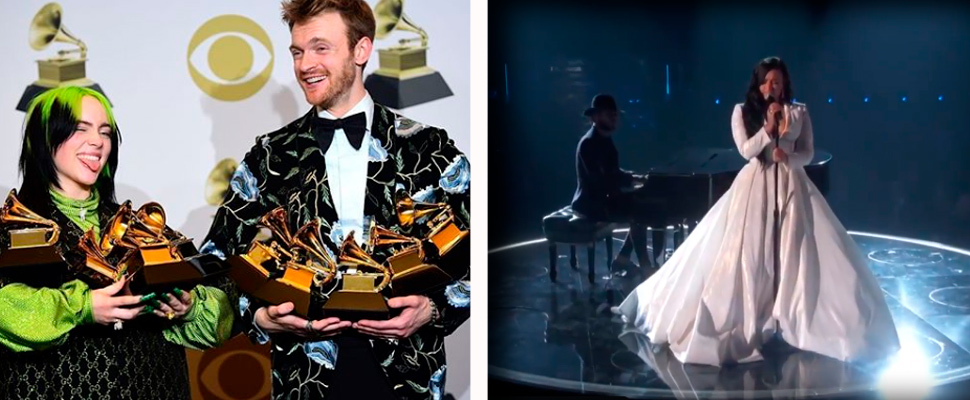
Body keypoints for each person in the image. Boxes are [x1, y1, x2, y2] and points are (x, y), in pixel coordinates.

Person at [199, 1, 471, 398]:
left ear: (361, 50)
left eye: (320, 48)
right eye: (297, 51)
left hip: (407, 373)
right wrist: (261, 316)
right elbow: (218, 262)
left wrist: (432, 310)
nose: (304, 64)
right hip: (303, 375)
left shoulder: (428, 148)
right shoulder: (269, 158)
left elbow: (482, 251)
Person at [614, 57, 900, 366]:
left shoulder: (799, 111)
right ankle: (757, 314)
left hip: (792, 184)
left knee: (797, 251)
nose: (771, 87)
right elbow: (745, 150)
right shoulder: (742, 111)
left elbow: (806, 152)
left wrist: (787, 158)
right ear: (758, 84)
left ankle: (794, 315)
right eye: (766, 81)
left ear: (785, 84)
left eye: (777, 82)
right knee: (753, 255)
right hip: (756, 185)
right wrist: (767, 129)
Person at [0, 86, 235, 399]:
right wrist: (82, 307)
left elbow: (218, 312)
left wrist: (188, 307)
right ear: (44, 139)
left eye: (105, 131)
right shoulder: (13, 229)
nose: (97, 141)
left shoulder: (143, 227)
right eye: (79, 129)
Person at [571, 94, 660, 269]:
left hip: (603, 198)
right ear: (595, 117)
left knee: (643, 208)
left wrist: (635, 178)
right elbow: (601, 181)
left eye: (615, 114)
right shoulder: (589, 144)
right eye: (608, 113)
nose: (614, 117)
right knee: (638, 211)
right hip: (590, 203)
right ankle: (644, 266)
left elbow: (613, 173)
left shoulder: (605, 140)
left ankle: (624, 258)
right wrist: (629, 190)